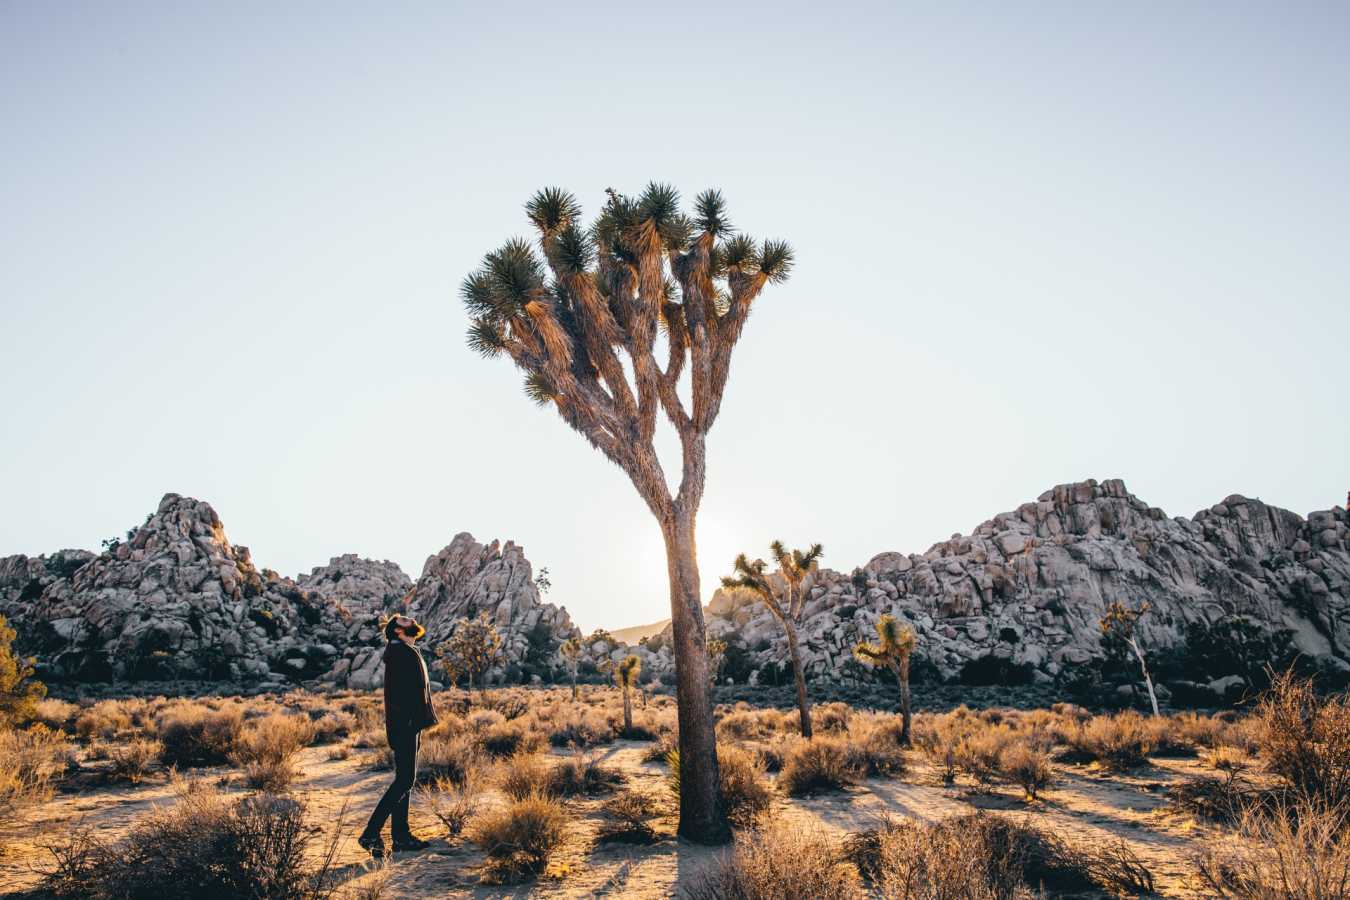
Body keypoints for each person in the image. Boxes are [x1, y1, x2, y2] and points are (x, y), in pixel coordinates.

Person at [358, 613, 439, 858]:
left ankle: (401, 837)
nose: (410, 619)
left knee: (406, 780)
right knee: (404, 780)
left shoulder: (404, 650)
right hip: (405, 724)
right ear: (397, 630)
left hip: (409, 724)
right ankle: (371, 833)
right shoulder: (398, 652)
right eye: (404, 620)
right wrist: (409, 721)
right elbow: (401, 695)